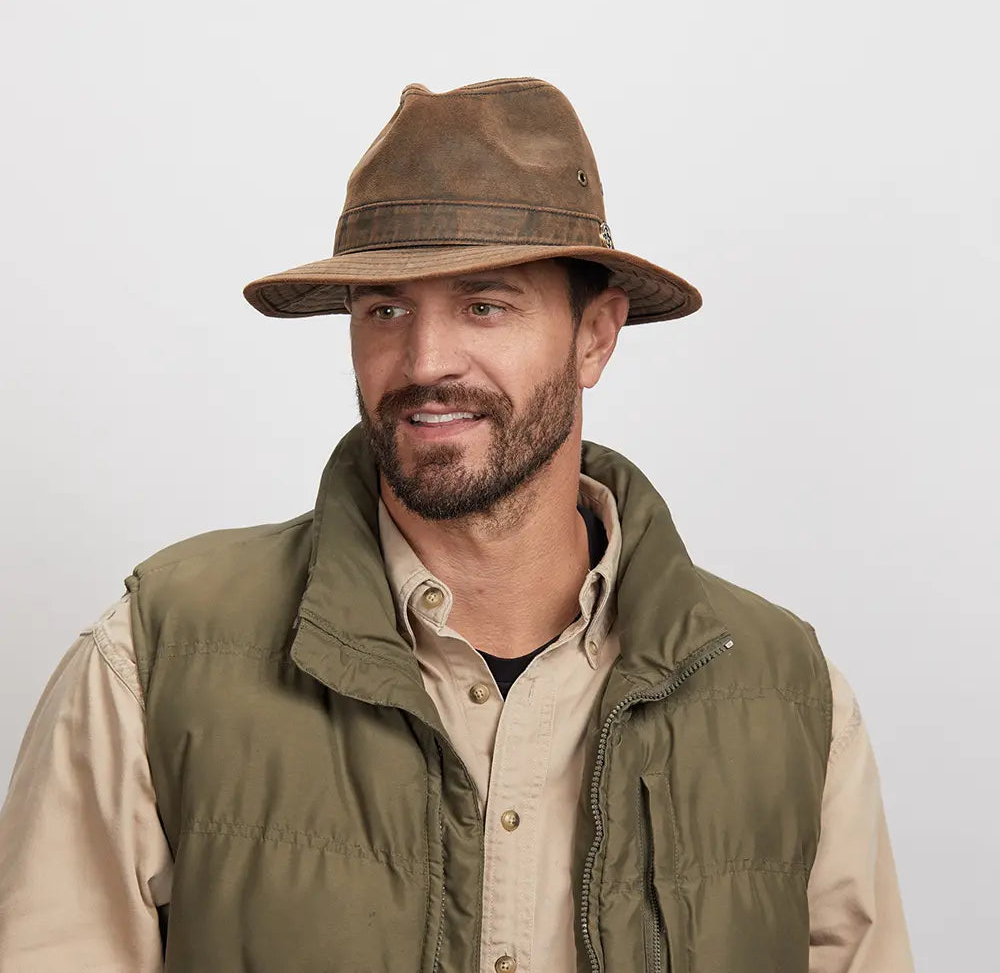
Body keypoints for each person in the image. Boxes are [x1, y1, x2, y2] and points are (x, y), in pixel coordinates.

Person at [0, 78, 913, 973]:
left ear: (595, 337)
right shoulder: (158, 652)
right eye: (385, 310)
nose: (426, 361)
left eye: (486, 304)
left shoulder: (787, 692)